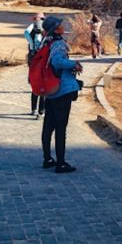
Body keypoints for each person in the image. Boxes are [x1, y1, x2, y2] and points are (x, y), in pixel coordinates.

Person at [40, 15, 82, 174]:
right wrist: (74, 64)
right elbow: (57, 62)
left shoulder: (46, 42)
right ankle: (61, 163)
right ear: (56, 29)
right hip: (61, 90)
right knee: (60, 128)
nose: (63, 27)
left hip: (51, 90)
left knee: (48, 126)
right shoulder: (58, 44)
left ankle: (47, 159)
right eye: (60, 25)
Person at [24, 13, 46, 118]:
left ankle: (35, 109)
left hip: (33, 58)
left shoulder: (32, 28)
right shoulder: (44, 30)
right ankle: (40, 111)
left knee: (35, 86)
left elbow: (26, 33)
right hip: (40, 59)